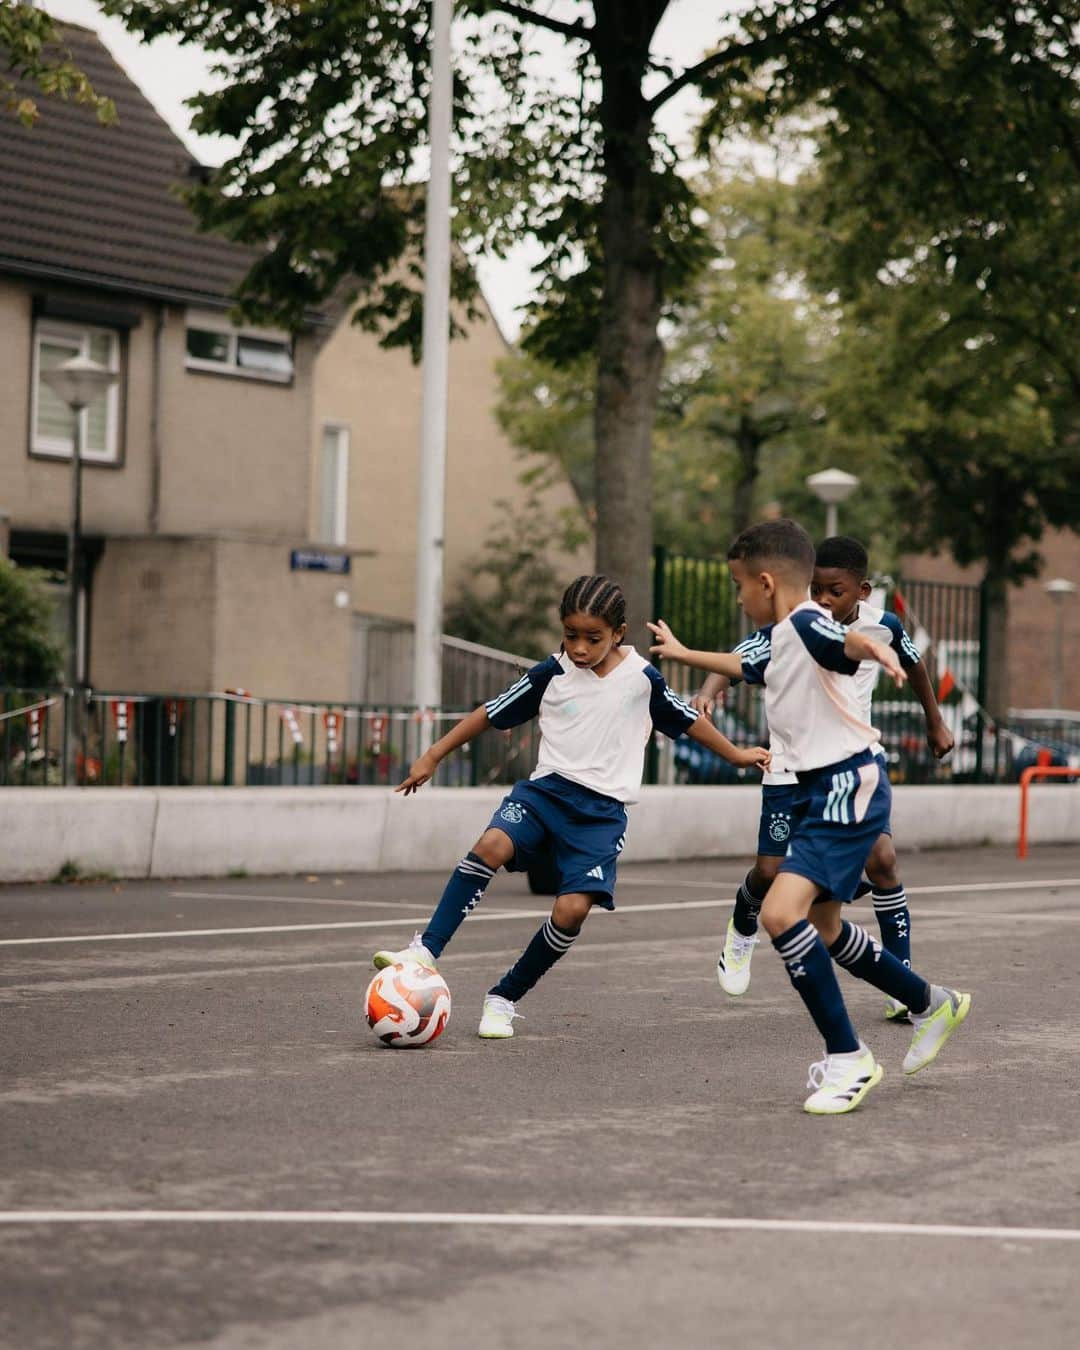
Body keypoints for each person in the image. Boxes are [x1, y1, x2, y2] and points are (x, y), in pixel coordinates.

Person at [648, 520, 971, 1115]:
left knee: (778, 912)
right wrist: (680, 652)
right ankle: (932, 1001)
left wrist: (871, 646)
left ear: (766, 582)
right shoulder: (782, 632)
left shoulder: (805, 623)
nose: (739, 598)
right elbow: (743, 666)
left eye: (740, 587)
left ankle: (849, 1059)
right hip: (824, 788)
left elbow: (839, 644)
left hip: (845, 787)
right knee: (821, 927)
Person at [373, 574, 769, 1039]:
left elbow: (686, 722)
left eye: (593, 638)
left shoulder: (642, 680)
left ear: (618, 634)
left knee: (571, 912)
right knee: (491, 844)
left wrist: (737, 754)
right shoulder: (551, 673)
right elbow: (489, 712)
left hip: (600, 815)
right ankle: (425, 950)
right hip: (544, 795)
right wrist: (433, 754)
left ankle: (504, 997)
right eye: (570, 635)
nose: (579, 648)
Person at [694, 535, 954, 1017]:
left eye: (834, 590)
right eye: (815, 589)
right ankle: (743, 919)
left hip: (849, 763)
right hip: (789, 764)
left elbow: (916, 668)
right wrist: (708, 690)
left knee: (883, 859)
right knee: (770, 874)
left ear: (863, 591)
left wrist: (935, 720)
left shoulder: (884, 626)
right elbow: (741, 658)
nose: (822, 600)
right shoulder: (795, 623)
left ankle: (904, 983)